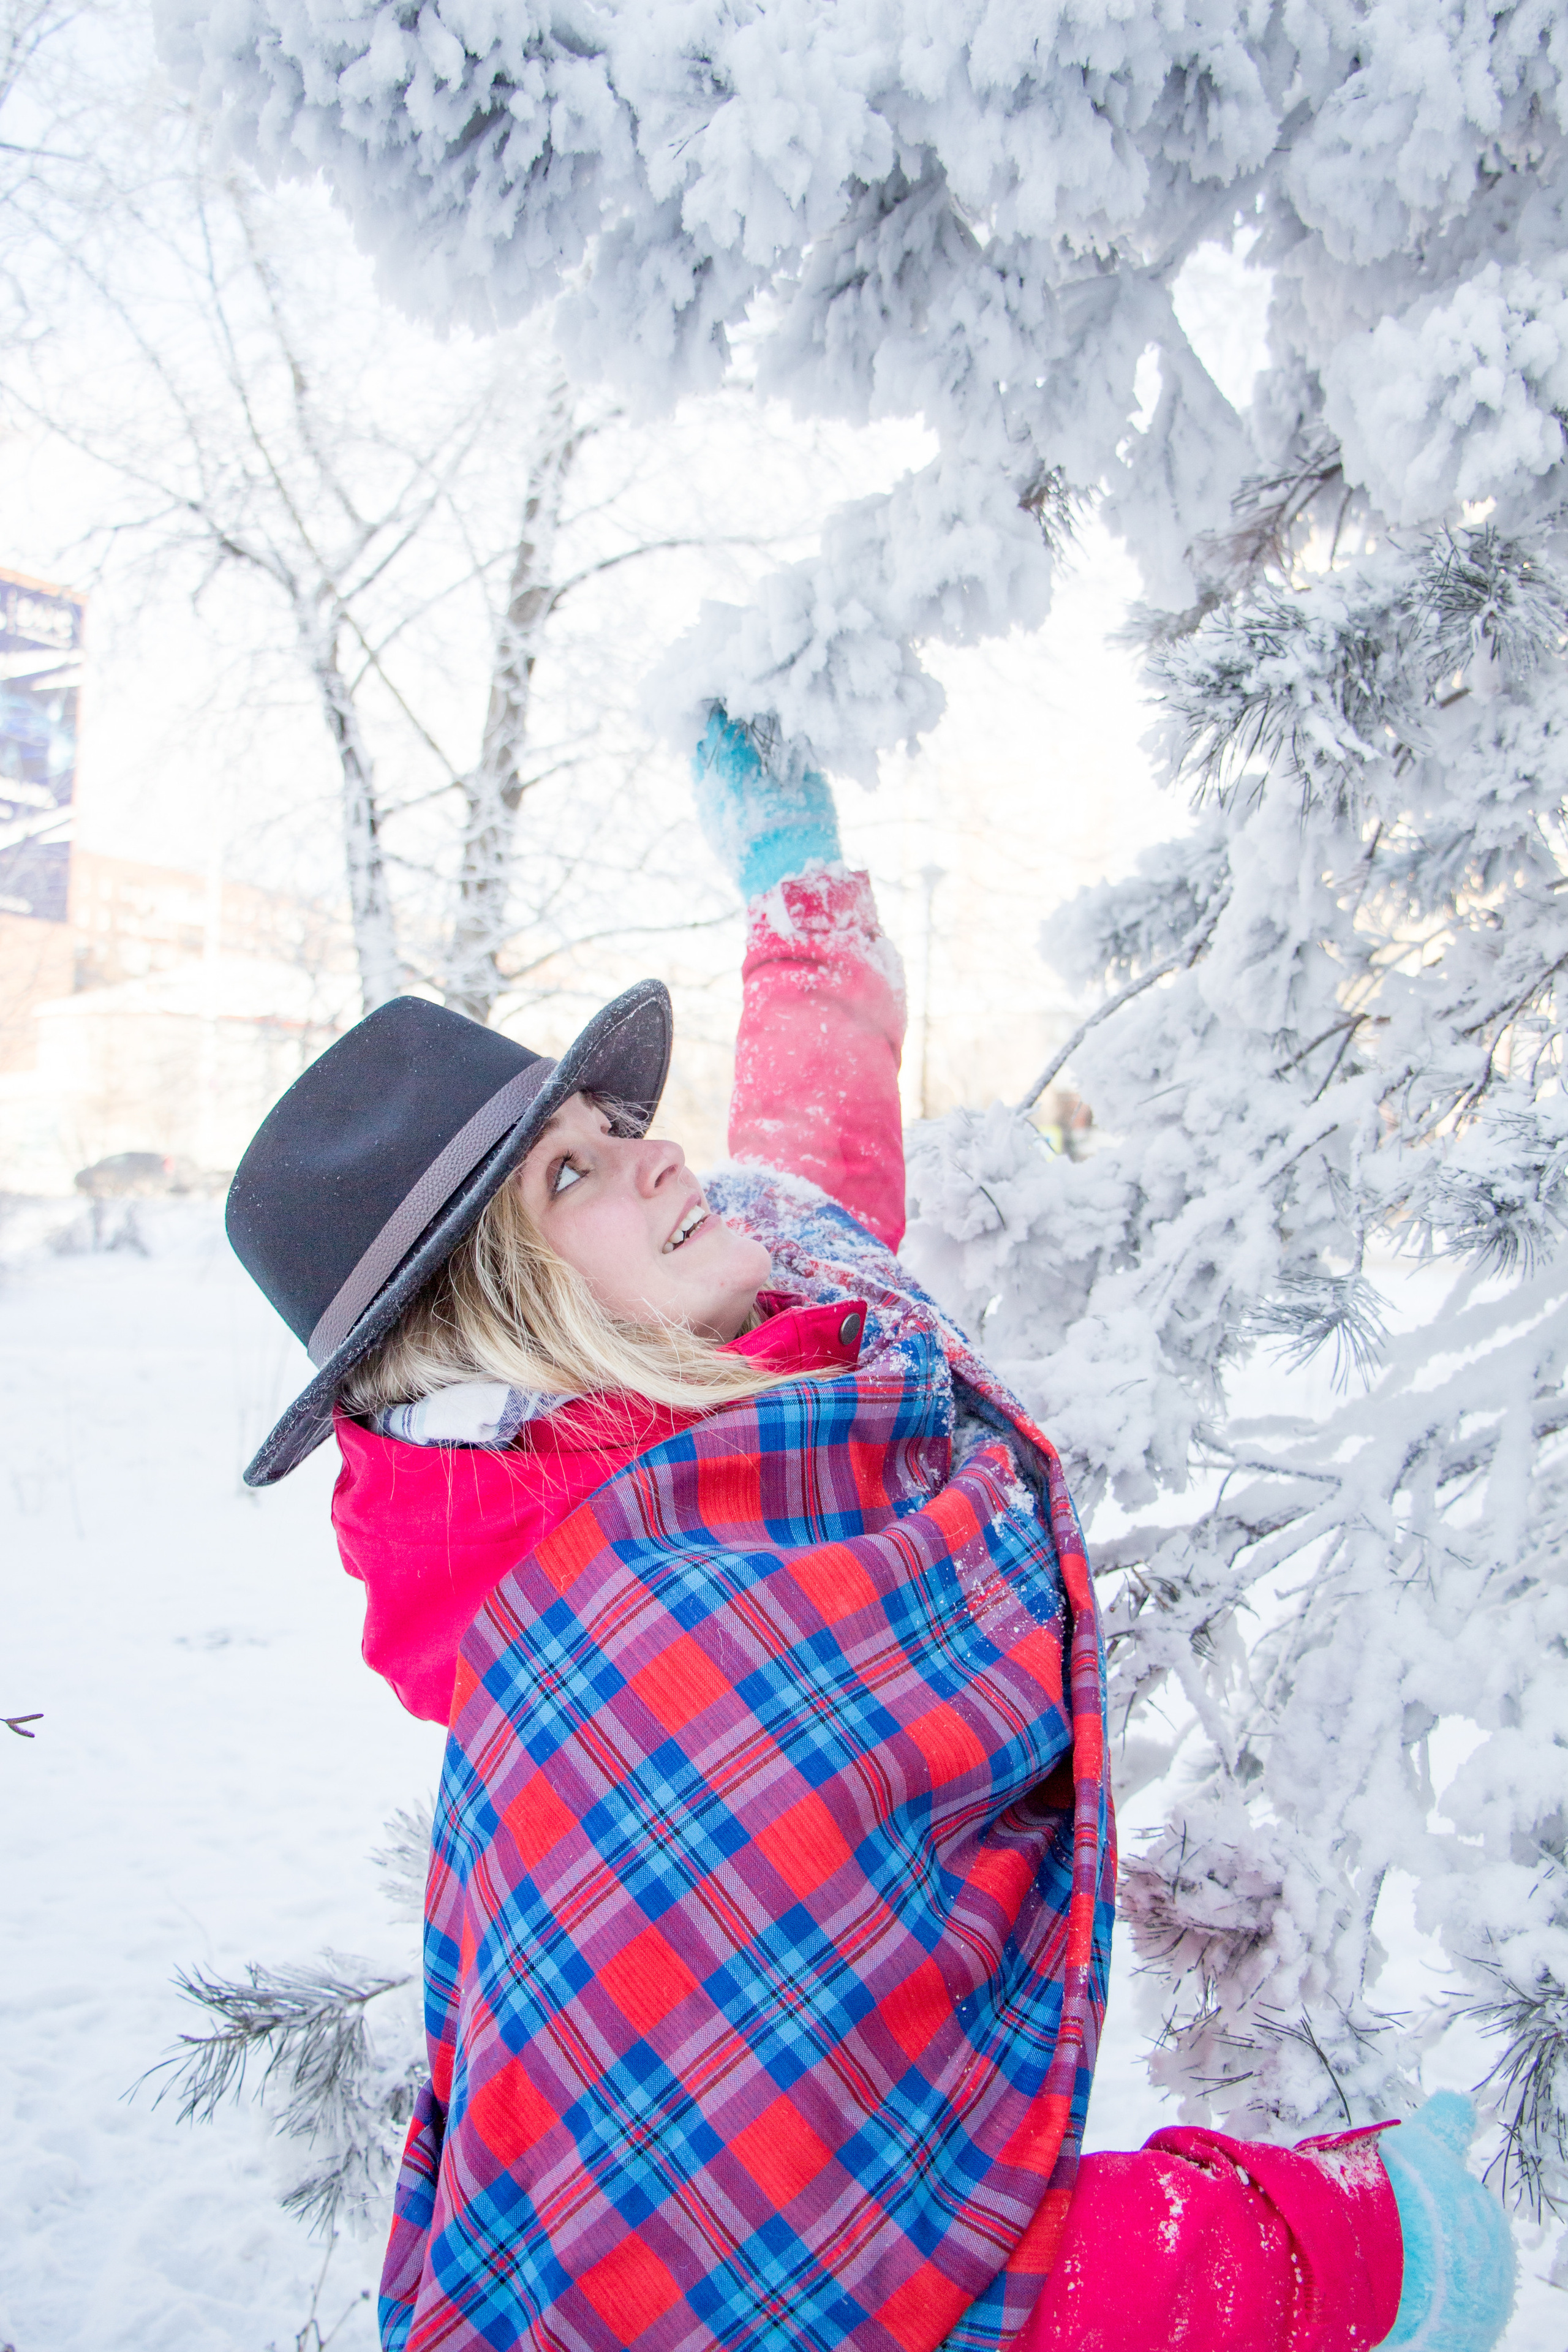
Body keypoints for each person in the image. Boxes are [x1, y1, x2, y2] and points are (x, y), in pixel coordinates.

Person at [226, 715, 1513, 2352]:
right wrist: (1317, 2256)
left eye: (615, 1126)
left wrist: (802, 908)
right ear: (498, 1327)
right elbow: (768, 2301)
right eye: (572, 1173)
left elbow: (806, 1172)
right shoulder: (640, 1679)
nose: (655, 1148)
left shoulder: (737, 1395)